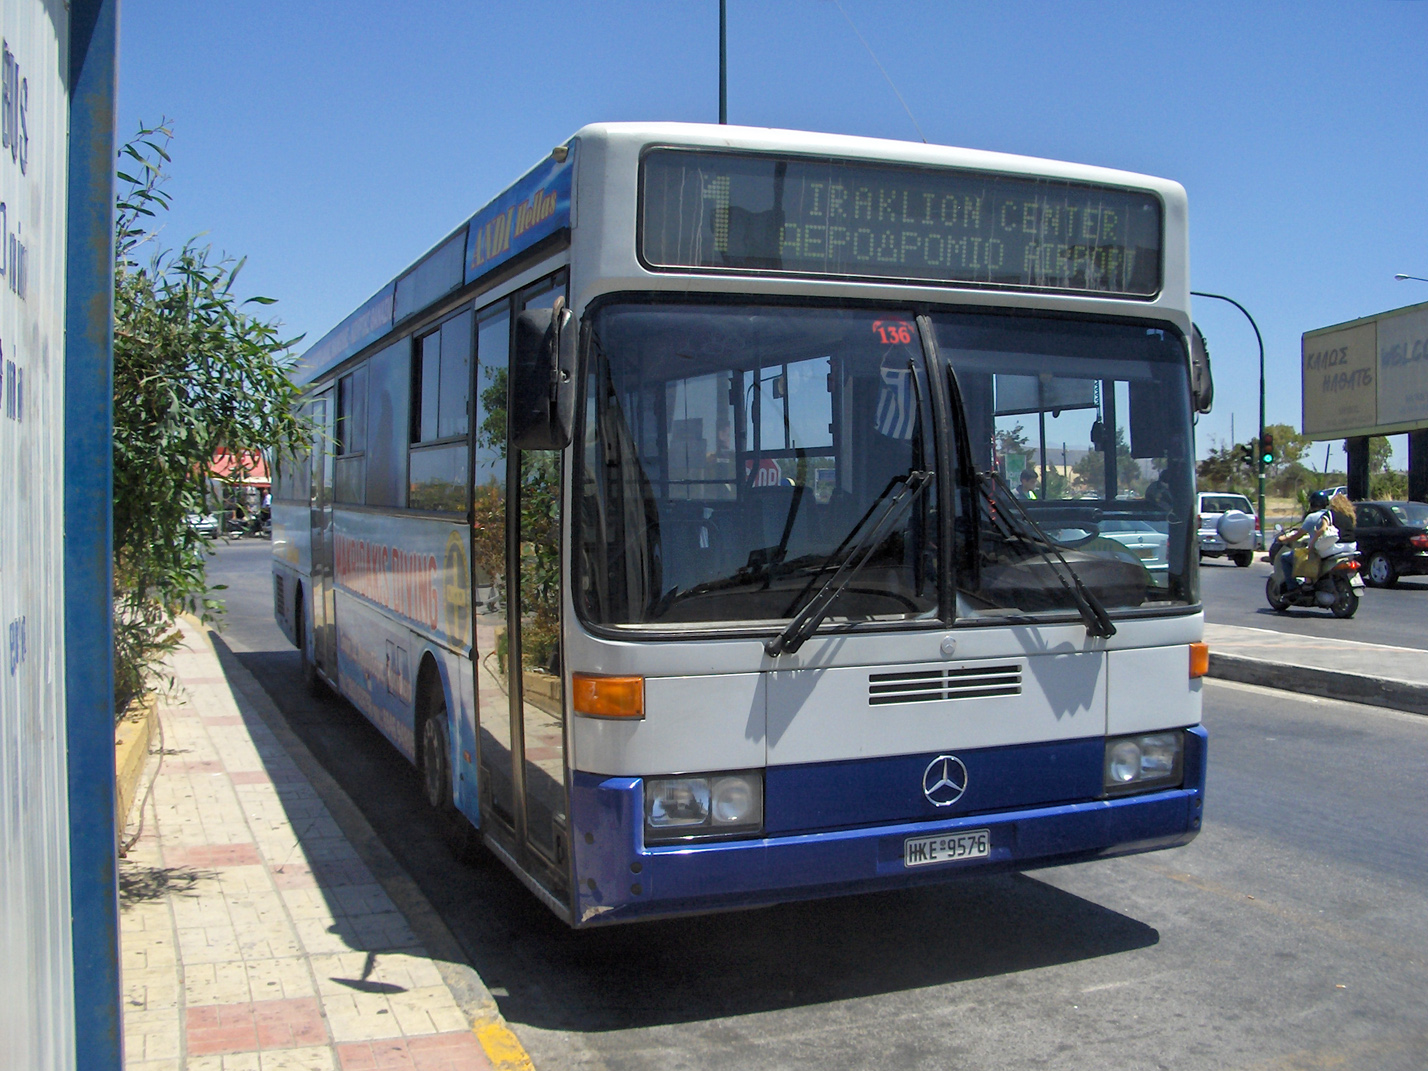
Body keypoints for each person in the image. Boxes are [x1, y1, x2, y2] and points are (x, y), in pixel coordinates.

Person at [1277, 490, 1337, 586]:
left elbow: (1298, 535)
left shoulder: (1312, 517)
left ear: (1312, 503)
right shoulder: (1333, 514)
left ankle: (1293, 588)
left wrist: (1283, 539)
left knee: (1285, 558)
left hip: (1317, 551)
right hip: (1333, 549)